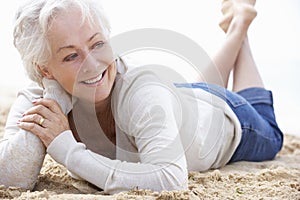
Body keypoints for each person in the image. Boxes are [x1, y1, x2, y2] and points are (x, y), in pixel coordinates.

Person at [0, 0, 283, 194]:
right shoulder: (41, 96)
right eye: (71, 56)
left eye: (98, 44)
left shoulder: (143, 91)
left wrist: (68, 150)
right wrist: (56, 97)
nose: (93, 64)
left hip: (229, 120)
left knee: (270, 130)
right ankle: (236, 26)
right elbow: (10, 178)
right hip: (179, 103)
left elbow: (170, 181)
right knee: (190, 96)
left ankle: (240, 27)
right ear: (44, 70)